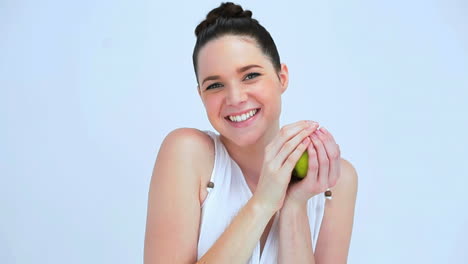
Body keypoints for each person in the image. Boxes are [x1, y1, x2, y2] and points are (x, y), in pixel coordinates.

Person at [144, 2, 358, 263]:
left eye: (250, 76)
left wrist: (294, 205)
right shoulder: (188, 152)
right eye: (215, 85)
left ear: (282, 78)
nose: (235, 98)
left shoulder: (334, 177)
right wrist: (264, 202)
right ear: (201, 94)